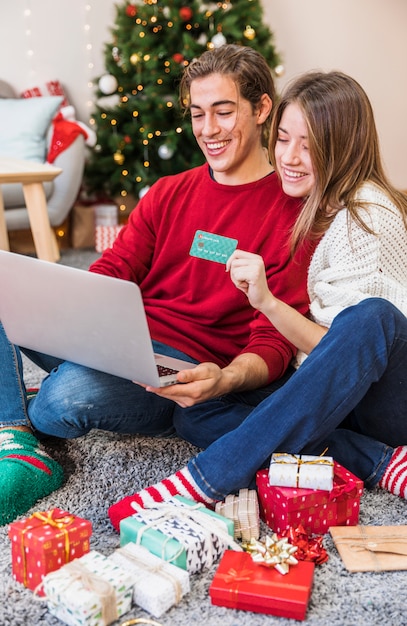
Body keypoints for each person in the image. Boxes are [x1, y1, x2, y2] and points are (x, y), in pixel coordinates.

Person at [0, 44, 314, 526]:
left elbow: (273, 341)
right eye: (197, 114)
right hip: (118, 335)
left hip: (181, 369)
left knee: (58, 403)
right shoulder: (169, 191)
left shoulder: (292, 214)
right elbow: (115, 266)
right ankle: (14, 436)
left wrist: (226, 379)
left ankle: (28, 418)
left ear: (262, 108)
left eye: (223, 112)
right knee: (11, 295)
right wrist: (68, 306)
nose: (208, 129)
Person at [108, 70, 407, 531]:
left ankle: (208, 478)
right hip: (333, 390)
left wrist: (266, 302)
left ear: (342, 146)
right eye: (283, 139)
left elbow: (350, 349)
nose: (288, 157)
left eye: (308, 146)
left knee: (373, 316)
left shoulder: (368, 213)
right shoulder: (315, 204)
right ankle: (375, 460)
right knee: (196, 417)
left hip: (382, 399)